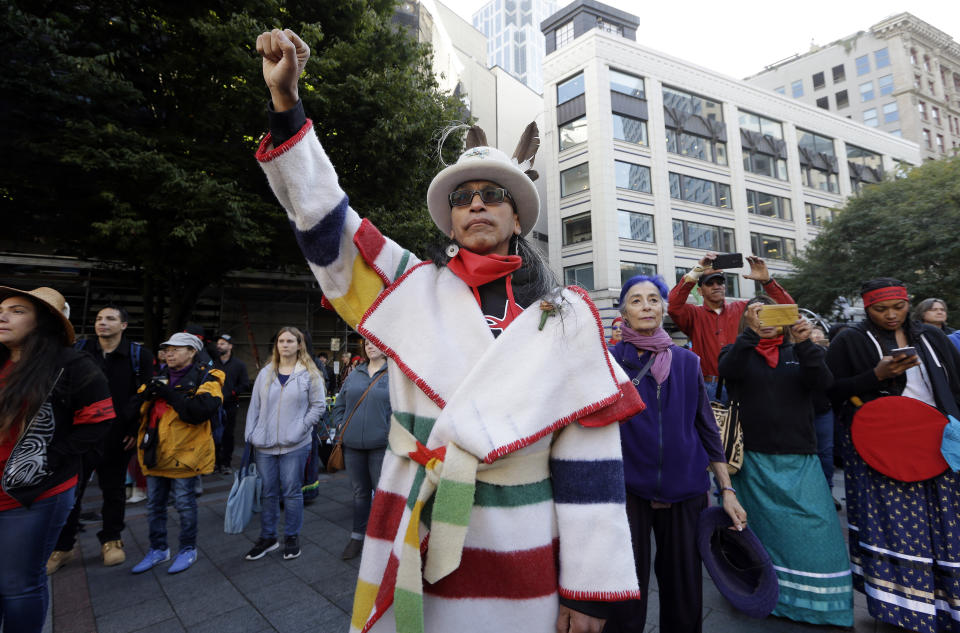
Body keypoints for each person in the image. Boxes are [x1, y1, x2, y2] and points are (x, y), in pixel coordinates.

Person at [254, 28, 644, 633]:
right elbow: (324, 221)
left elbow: (590, 459)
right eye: (464, 197)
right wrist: (287, 106)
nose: (478, 204)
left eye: (494, 195)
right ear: (453, 217)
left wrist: (589, 589)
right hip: (414, 515)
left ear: (518, 215)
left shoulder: (567, 315)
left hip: (521, 537)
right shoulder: (407, 286)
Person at [606, 275, 746, 633]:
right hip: (628, 488)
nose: (646, 306)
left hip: (687, 488)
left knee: (684, 588)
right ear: (624, 312)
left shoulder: (687, 362)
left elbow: (706, 428)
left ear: (664, 309)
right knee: (625, 589)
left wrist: (726, 491)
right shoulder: (608, 362)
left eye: (653, 299)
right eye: (636, 300)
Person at [826, 278, 960, 632]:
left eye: (898, 308)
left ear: (908, 303)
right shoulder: (850, 340)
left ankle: (947, 603)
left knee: (945, 525)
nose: (890, 316)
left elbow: (955, 385)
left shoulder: (932, 338)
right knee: (895, 527)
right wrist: (875, 376)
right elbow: (828, 392)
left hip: (938, 442)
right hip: (880, 449)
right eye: (880, 309)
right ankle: (901, 608)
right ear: (866, 308)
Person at [718, 296, 853, 627]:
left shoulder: (802, 353)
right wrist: (749, 335)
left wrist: (805, 342)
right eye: (758, 315)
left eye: (774, 314)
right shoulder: (736, 352)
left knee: (817, 529)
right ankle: (763, 594)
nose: (767, 321)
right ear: (747, 320)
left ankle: (820, 605)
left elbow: (824, 385)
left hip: (799, 458)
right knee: (760, 533)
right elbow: (727, 370)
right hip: (751, 460)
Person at [0, 286, 115, 633]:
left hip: (34, 494)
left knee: (17, 585)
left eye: (17, 310)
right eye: (1, 308)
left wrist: (45, 460)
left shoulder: (71, 365)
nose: (3, 315)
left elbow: (99, 420)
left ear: (43, 321)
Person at [47, 303, 155, 573]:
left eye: (110, 318)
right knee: (72, 491)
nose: (102, 323)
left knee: (114, 490)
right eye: (98, 318)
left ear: (124, 325)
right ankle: (63, 546)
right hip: (80, 436)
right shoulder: (79, 352)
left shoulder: (138, 355)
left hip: (118, 437)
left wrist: (134, 430)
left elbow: (144, 396)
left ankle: (111, 540)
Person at [130, 332, 224, 574]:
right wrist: (143, 397)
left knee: (185, 504)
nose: (169, 353)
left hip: (186, 455)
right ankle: (158, 549)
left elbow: (198, 411)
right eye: (167, 349)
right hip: (154, 453)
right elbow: (132, 410)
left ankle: (187, 549)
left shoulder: (208, 377)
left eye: (176, 348)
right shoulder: (158, 377)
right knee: (154, 506)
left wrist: (169, 394)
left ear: (192, 352)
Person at [243, 326, 325, 561]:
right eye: (281, 341)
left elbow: (318, 406)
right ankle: (268, 537)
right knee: (268, 493)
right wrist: (252, 434)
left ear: (300, 345)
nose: (285, 345)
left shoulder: (309, 373)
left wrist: (300, 428)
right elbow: (255, 407)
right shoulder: (266, 373)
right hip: (265, 444)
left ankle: (291, 536)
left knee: (291, 492)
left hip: (295, 444)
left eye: (290, 341)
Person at [668, 252, 794, 401]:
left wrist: (767, 282)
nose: (716, 286)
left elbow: (789, 312)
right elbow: (673, 305)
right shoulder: (693, 314)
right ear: (700, 291)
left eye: (720, 282)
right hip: (709, 386)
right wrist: (698, 269)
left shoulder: (744, 308)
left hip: (746, 382)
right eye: (709, 283)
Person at [332, 339, 391, 560]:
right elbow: (339, 404)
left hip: (381, 446)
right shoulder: (355, 373)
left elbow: (400, 409)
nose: (370, 345)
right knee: (360, 494)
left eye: (375, 341)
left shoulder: (394, 375)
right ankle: (357, 537)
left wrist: (390, 432)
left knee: (382, 493)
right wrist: (341, 424)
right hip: (353, 446)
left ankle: (383, 539)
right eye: (367, 342)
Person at [214, 333, 250, 474]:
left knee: (228, 434)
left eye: (223, 343)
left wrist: (233, 392)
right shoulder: (213, 363)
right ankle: (215, 462)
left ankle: (226, 463)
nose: (219, 346)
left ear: (230, 346)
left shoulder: (239, 365)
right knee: (213, 434)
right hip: (213, 404)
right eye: (218, 343)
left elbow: (245, 384)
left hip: (230, 405)